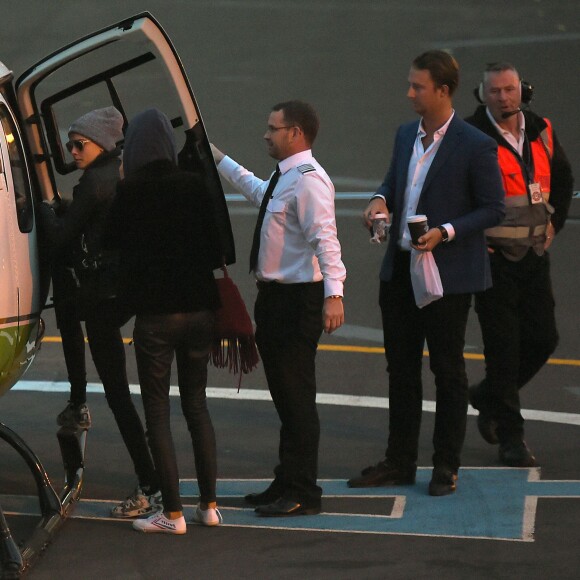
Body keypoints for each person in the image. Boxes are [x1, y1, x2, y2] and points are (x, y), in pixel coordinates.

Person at [347, 50, 505, 496]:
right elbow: (395, 183)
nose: (409, 92)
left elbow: (493, 208)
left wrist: (447, 232)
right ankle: (399, 461)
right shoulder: (405, 136)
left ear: (443, 90)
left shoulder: (475, 144)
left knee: (448, 372)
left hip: (445, 277)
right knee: (400, 371)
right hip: (400, 271)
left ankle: (446, 464)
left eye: (418, 86)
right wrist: (380, 200)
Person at [211, 100, 346, 517]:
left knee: (296, 399)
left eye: (273, 128)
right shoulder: (285, 177)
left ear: (295, 133)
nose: (266, 135)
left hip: (296, 302)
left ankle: (303, 490)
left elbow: (327, 240)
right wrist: (217, 158)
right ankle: (287, 480)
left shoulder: (308, 182)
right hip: (275, 299)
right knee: (286, 398)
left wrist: (335, 294)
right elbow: (256, 188)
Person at [38, 106, 161, 518]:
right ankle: (78, 401)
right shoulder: (119, 174)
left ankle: (149, 483)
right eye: (71, 144)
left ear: (101, 144)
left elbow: (60, 238)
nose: (72, 151)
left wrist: (40, 209)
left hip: (102, 299)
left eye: (79, 144)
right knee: (125, 393)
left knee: (118, 394)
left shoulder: (94, 183)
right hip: (122, 291)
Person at [104, 108, 223, 535]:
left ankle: (171, 514)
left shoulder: (130, 191)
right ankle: (208, 506)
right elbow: (216, 247)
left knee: (158, 410)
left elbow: (109, 245)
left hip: (156, 316)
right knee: (197, 405)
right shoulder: (192, 185)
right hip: (199, 311)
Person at [465, 63, 574, 467]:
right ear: (483, 95)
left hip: (533, 256)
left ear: (522, 91)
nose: (504, 98)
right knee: (503, 349)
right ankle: (511, 437)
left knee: (544, 338)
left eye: (510, 90)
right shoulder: (471, 136)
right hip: (493, 262)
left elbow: (562, 179)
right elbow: (459, 196)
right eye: (495, 92)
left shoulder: (541, 128)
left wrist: (555, 224)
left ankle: (488, 395)